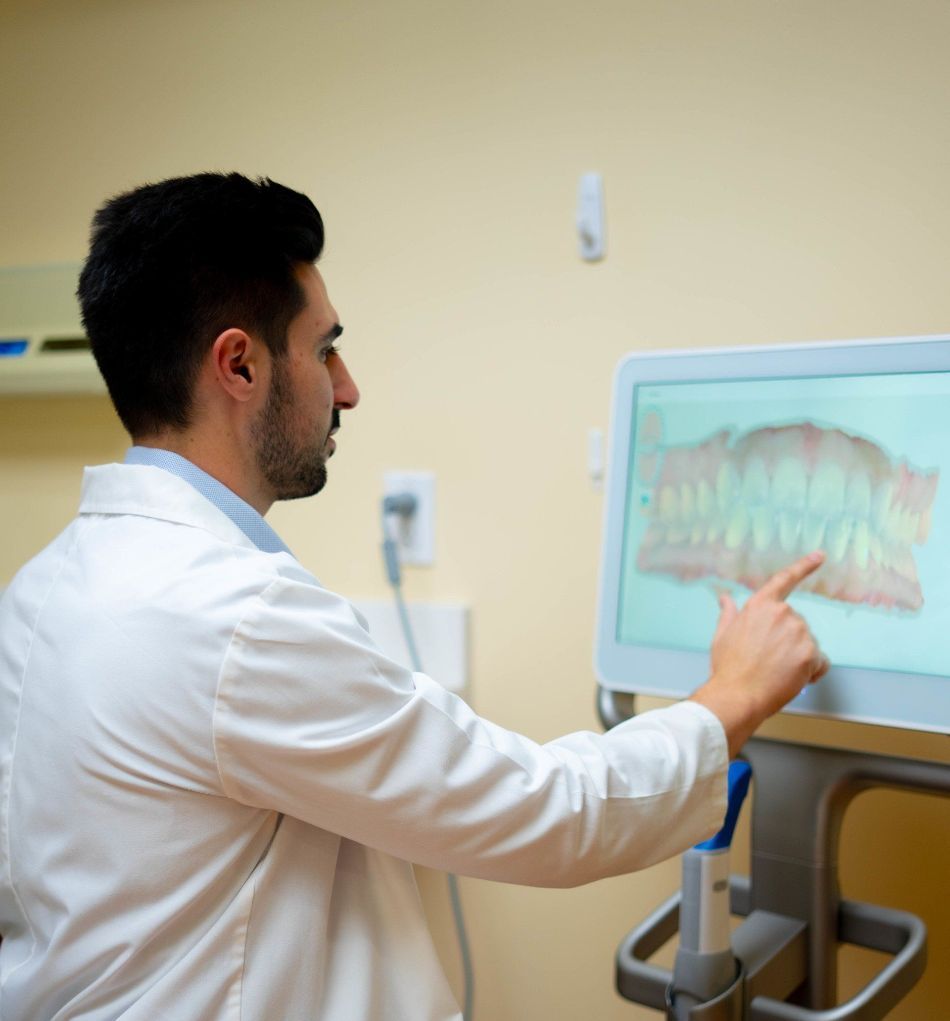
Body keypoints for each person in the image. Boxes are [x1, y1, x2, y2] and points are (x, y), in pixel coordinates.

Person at [0, 173, 829, 1021]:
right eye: (324, 349)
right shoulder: (236, 620)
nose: (348, 386)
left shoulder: (40, 591)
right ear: (239, 364)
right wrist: (734, 691)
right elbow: (544, 811)